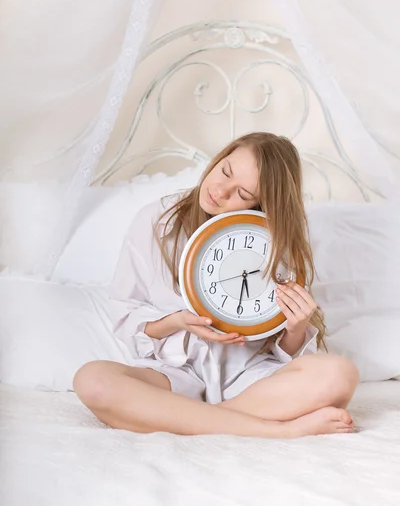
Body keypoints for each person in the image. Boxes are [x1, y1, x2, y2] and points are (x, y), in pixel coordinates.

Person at [74, 132, 359, 438]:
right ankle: (277, 430)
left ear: (261, 204)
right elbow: (127, 316)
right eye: (225, 171)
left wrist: (295, 328)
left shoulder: (272, 240)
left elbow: (279, 350)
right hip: (174, 375)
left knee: (340, 375)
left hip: (247, 377)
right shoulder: (157, 221)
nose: (220, 191)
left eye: (243, 193)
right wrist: (175, 321)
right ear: (221, 156)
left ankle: (186, 419)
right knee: (92, 380)